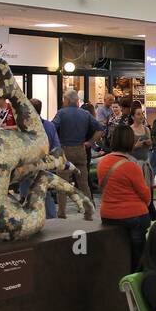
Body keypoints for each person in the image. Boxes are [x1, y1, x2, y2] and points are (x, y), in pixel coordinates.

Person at [99, 126, 152, 271]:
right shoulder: (131, 166)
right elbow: (146, 195)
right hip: (133, 217)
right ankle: (138, 275)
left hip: (108, 215)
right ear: (130, 142)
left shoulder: (102, 163)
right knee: (139, 254)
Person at [52, 88, 102, 217]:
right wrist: (90, 142)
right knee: (83, 183)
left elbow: (52, 128)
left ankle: (62, 212)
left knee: (62, 183)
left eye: (64, 99)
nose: (63, 102)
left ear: (67, 100)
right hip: (80, 150)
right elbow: (100, 129)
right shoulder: (85, 114)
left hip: (65, 151)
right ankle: (89, 211)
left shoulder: (61, 113)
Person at [29, 97, 60, 219]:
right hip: (46, 164)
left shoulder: (27, 128)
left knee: (30, 194)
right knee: (44, 193)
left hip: (31, 166)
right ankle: (51, 219)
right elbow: (56, 146)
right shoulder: (50, 125)